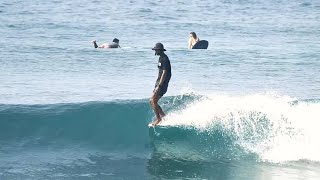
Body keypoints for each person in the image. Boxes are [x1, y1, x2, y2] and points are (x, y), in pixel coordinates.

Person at [150, 43, 172, 127]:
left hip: (162, 84)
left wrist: (159, 86)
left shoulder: (164, 59)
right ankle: (163, 116)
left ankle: (159, 119)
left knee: (153, 100)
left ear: (160, 50)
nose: (155, 51)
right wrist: (156, 85)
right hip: (159, 83)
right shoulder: (160, 58)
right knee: (152, 101)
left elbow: (164, 73)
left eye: (156, 50)